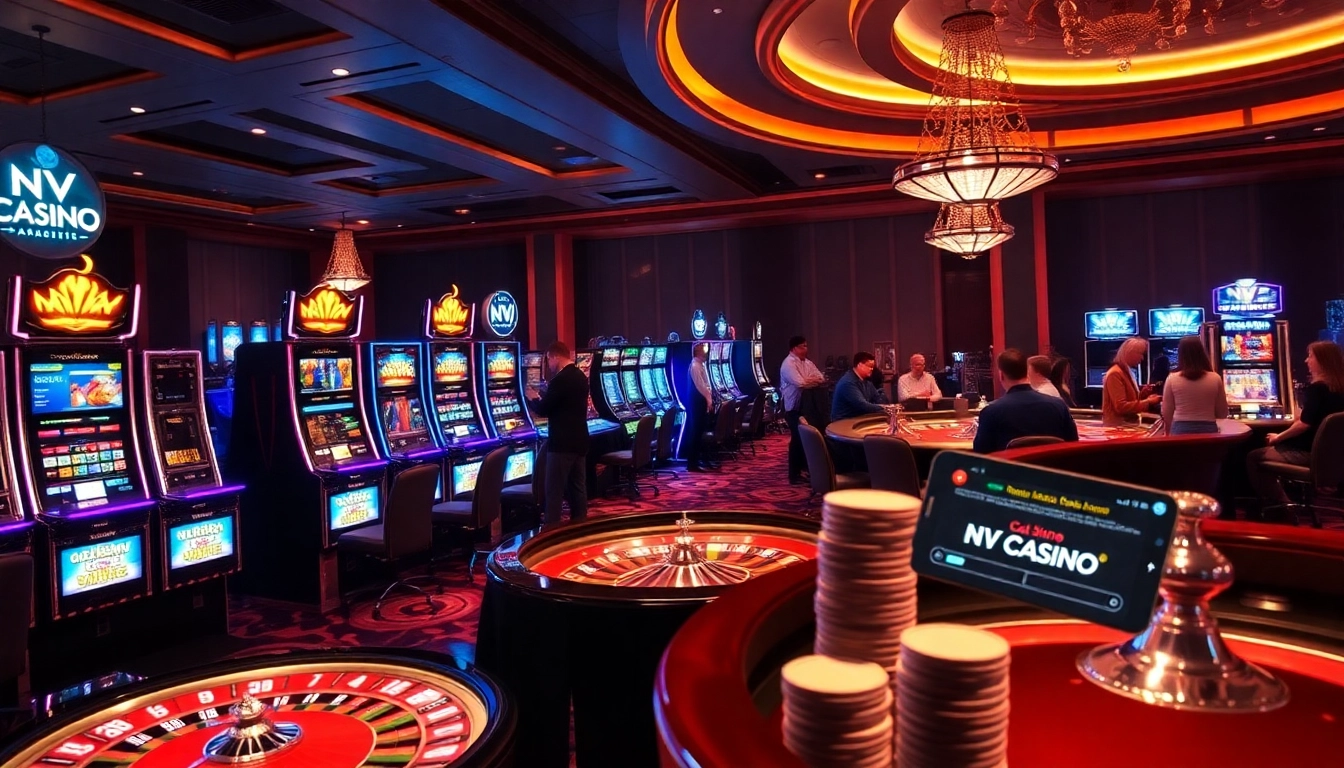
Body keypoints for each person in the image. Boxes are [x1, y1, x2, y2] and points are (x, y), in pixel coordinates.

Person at [1247, 341, 1344, 506]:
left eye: (1310, 356)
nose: (1306, 361)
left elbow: (1304, 424)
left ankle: (1283, 508)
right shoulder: (1339, 387)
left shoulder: (1318, 389)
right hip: (1334, 456)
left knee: (1253, 456)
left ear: (1323, 360)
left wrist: (1278, 437)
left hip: (1309, 453)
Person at [526, 341, 589, 526]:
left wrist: (531, 399)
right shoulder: (579, 375)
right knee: (578, 489)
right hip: (580, 441)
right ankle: (580, 526)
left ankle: (551, 533)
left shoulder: (560, 380)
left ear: (554, 357)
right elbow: (562, 404)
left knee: (554, 491)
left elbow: (543, 410)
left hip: (562, 444)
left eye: (548, 360)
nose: (549, 365)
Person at [973, 349, 1078, 453]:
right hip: (1051, 469)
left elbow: (981, 454)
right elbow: (1073, 444)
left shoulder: (991, 412)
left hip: (1009, 470)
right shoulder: (1059, 406)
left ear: (1001, 375)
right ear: (1027, 372)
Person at [780, 335, 825, 484]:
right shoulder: (788, 364)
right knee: (797, 439)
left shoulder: (807, 362)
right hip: (792, 408)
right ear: (794, 348)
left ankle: (804, 470)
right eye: (803, 346)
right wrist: (809, 381)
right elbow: (800, 383)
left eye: (806, 346)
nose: (806, 349)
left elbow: (821, 378)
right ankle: (794, 475)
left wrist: (808, 381)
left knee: (805, 439)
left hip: (806, 407)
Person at [1161, 336, 1227, 435]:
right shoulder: (1215, 378)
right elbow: (1222, 413)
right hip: (1208, 430)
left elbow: (1166, 412)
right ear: (1202, 352)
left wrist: (1167, 433)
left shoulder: (1172, 378)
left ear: (1181, 354)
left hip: (1180, 430)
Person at [1102, 337, 1160, 426]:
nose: (1142, 358)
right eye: (1141, 354)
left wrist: (1142, 394)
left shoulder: (1126, 371)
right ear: (1130, 353)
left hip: (1126, 426)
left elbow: (1130, 400)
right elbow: (1121, 407)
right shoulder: (1115, 373)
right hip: (1118, 428)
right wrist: (1148, 401)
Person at [831, 352, 890, 421]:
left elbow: (877, 398)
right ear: (859, 365)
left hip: (857, 419)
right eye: (869, 366)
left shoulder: (866, 382)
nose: (871, 369)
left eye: (872, 367)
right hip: (842, 423)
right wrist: (885, 408)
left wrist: (885, 404)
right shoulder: (848, 383)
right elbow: (862, 405)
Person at [684, 343, 715, 472]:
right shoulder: (695, 366)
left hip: (701, 401)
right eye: (704, 350)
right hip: (697, 402)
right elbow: (700, 386)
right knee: (696, 432)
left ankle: (700, 460)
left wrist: (709, 399)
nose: (706, 353)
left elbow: (706, 385)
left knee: (699, 432)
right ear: (698, 352)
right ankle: (692, 463)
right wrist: (709, 400)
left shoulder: (701, 365)